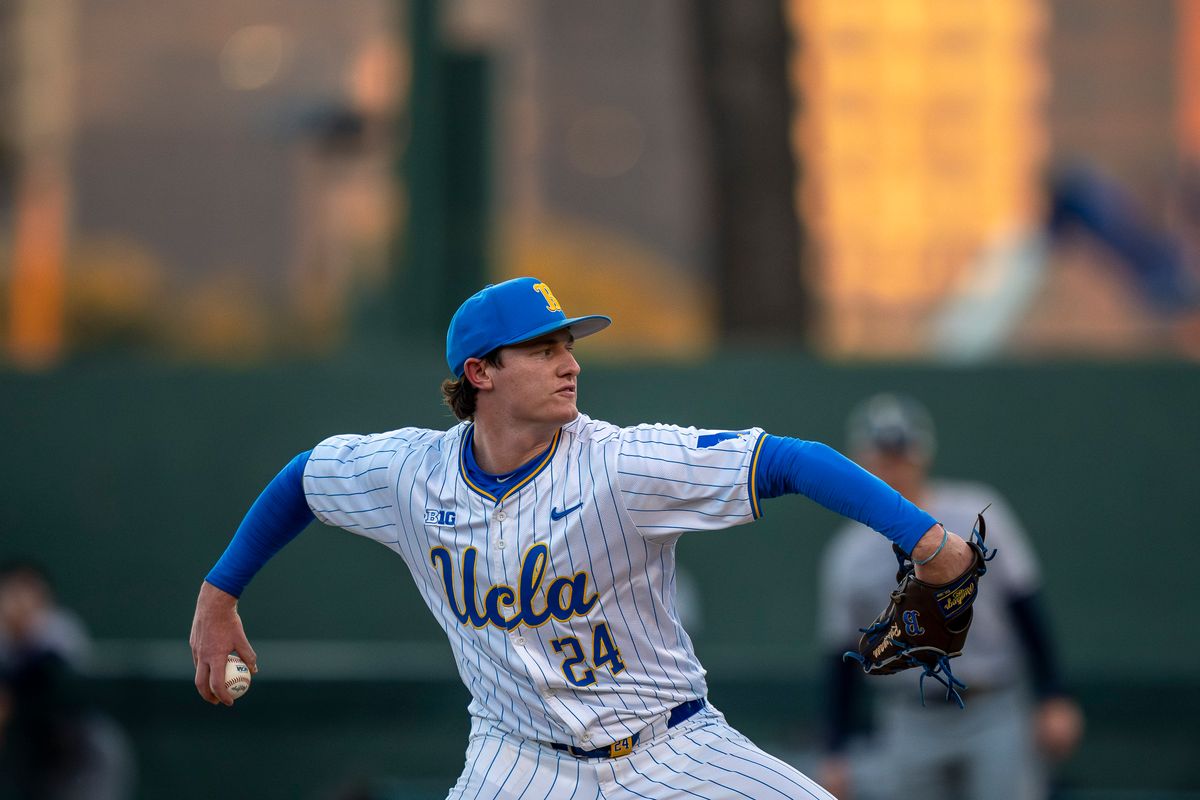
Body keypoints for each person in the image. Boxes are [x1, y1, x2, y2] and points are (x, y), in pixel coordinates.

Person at [190, 277, 980, 799]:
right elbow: (305, 476)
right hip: (518, 761)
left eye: (568, 345)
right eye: (543, 349)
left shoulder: (622, 464)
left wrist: (925, 539)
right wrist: (220, 593)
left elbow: (793, 461)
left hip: (672, 752)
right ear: (481, 372)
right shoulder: (410, 474)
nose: (569, 364)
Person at [816, 393, 1084, 800]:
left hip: (992, 704)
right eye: (883, 455)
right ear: (861, 461)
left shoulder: (975, 513)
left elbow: (1026, 606)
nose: (893, 466)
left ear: (922, 454)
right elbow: (843, 655)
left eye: (901, 453)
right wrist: (835, 748)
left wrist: (1054, 694)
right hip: (909, 714)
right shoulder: (849, 554)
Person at [0, 562, 136, 800]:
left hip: (84, 754)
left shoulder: (58, 629)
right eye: (12, 592)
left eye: (29, 592)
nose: (20, 601)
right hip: (35, 756)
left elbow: (41, 669)